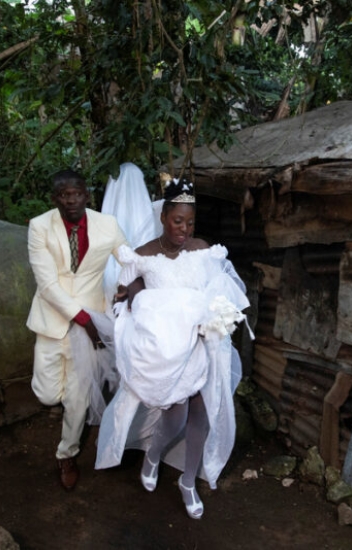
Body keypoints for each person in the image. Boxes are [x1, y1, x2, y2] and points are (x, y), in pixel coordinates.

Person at [95, 175, 252, 519]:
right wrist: (130, 293)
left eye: (190, 222)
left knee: (201, 413)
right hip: (169, 351)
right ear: (164, 217)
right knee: (176, 416)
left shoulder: (201, 250)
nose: (184, 229)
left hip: (199, 344)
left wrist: (217, 315)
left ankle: (188, 481)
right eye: (178, 221)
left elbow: (218, 285)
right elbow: (132, 287)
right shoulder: (145, 255)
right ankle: (153, 454)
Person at [26, 168, 127, 490]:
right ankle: (64, 408)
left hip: (92, 325)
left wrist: (131, 285)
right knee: (46, 394)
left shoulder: (107, 225)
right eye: (64, 195)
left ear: (86, 194)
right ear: (55, 198)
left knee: (79, 399)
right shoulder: (39, 226)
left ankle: (66, 454)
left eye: (77, 193)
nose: (71, 200)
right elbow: (47, 284)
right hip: (54, 322)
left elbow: (129, 260)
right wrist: (84, 320)